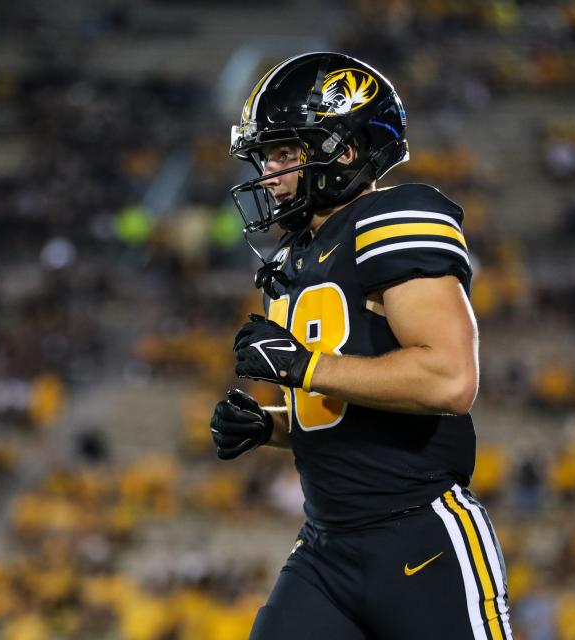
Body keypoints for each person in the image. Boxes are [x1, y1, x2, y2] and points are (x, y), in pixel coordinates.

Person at [210, 52, 513, 639]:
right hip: (326, 547)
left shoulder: (390, 218)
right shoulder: (296, 256)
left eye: (283, 152)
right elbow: (348, 402)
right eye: (265, 155)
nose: (268, 173)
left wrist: (306, 366)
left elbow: (449, 380)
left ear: (342, 150)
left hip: (417, 538)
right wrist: (272, 425)